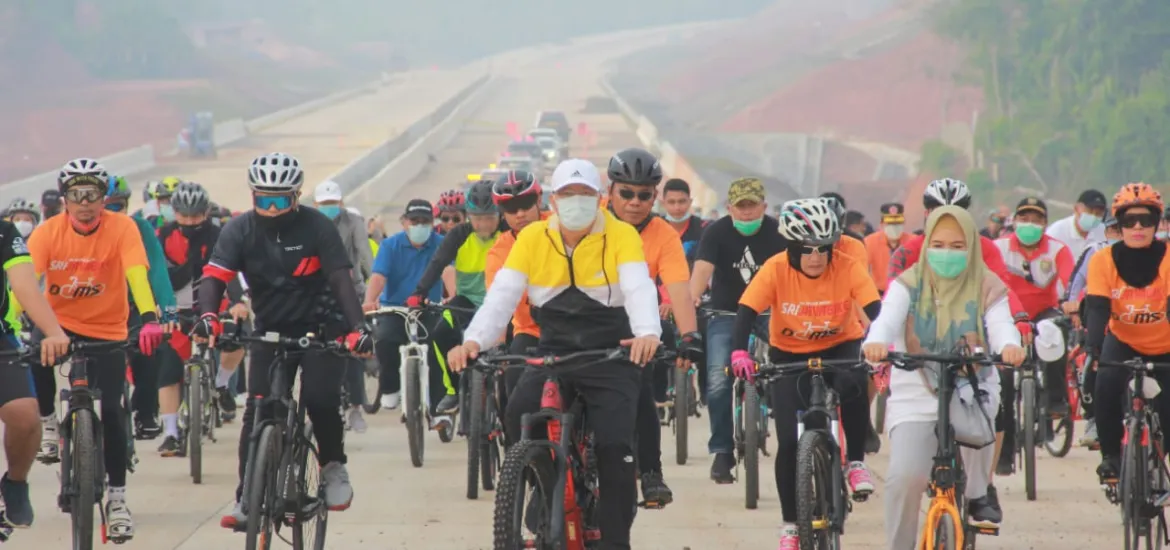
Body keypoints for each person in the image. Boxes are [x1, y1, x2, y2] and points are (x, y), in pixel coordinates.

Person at [447, 158, 661, 550]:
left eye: (584, 194)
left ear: (600, 198)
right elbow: (501, 297)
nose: (576, 201)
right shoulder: (532, 238)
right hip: (554, 350)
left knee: (614, 449)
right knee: (517, 414)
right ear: (554, 200)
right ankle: (544, 485)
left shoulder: (622, 234)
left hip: (608, 353)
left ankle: (616, 540)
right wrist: (473, 341)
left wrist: (647, 332)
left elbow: (638, 287)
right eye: (567, 194)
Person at [194, 152, 372, 528]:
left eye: (280, 200)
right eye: (264, 200)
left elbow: (341, 280)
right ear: (253, 196)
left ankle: (333, 467)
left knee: (320, 399)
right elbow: (214, 277)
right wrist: (208, 316)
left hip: (323, 326)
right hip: (271, 329)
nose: (271, 209)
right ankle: (247, 497)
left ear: (295, 197)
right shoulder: (239, 229)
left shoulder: (317, 227)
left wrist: (358, 328)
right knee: (258, 410)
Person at [864, 206, 1026, 548]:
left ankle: (979, 493)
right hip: (916, 389)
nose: (946, 253)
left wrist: (1010, 346)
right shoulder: (907, 284)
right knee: (904, 479)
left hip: (971, 384)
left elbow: (1001, 324)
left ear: (971, 246)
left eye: (957, 246)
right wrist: (876, 343)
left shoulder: (987, 284)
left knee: (980, 425)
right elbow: (886, 319)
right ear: (926, 245)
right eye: (938, 245)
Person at [28, 158, 167, 540]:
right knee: (34, 351)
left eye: (93, 195)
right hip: (57, 326)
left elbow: (137, 274)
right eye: (77, 195)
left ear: (104, 198)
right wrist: (13, 321)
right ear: (64, 199)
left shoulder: (123, 228)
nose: (85, 203)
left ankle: (117, 500)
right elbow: (24, 281)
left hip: (108, 329)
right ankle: (48, 422)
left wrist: (149, 317)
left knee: (114, 413)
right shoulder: (47, 232)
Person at [731, 198, 881, 549]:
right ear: (791, 248)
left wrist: (882, 344)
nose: (815, 257)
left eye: (823, 249)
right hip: (789, 352)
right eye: (806, 250)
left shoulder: (847, 266)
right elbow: (746, 310)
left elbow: (875, 308)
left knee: (855, 382)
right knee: (788, 443)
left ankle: (855, 462)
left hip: (840, 346)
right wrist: (738, 351)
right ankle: (790, 526)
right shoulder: (774, 268)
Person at [606, 148, 703, 507]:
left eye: (644, 195)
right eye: (626, 193)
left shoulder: (663, 234)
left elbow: (679, 289)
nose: (634, 202)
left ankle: (651, 472)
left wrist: (689, 336)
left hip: (638, 323)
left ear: (654, 196)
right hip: (586, 318)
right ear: (610, 191)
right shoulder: (590, 221)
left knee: (641, 388)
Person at [689, 178, 788, 483]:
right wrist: (691, 300)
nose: (746, 212)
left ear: (764, 207)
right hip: (727, 312)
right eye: (740, 206)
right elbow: (702, 270)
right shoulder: (716, 232)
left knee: (788, 367)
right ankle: (722, 451)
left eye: (752, 206)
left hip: (770, 311)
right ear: (729, 207)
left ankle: (794, 436)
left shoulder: (779, 233)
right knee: (718, 380)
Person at [1084, 183, 1170, 489]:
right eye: (1129, 221)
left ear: (1157, 224)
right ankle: (1111, 457)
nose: (1137, 228)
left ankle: (1158, 458)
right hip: (1123, 341)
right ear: (1118, 225)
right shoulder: (1102, 260)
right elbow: (1097, 309)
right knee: (1105, 384)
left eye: (1145, 220)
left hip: (1165, 344)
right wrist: (1093, 350)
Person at [154, 182, 246, 454]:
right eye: (184, 216)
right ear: (174, 212)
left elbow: (231, 271)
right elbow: (156, 274)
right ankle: (171, 432)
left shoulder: (219, 235)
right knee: (168, 367)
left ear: (206, 213)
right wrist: (156, 306)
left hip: (214, 304)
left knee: (238, 336)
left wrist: (238, 302)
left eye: (195, 216)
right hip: (175, 306)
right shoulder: (162, 236)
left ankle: (221, 384)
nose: (190, 221)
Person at [991, 196, 1074, 476]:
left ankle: (1055, 399)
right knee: (1003, 381)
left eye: (1036, 220)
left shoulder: (1057, 249)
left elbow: (1070, 281)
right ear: (1014, 221)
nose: (1029, 224)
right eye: (1024, 218)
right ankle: (1004, 452)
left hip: (1043, 312)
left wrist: (1073, 302)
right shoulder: (999, 248)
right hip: (1007, 314)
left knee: (1055, 334)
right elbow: (991, 282)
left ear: (1045, 224)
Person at [0, 209, 70, 530]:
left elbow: (25, 287)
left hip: (1, 338)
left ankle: (15, 483)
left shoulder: (5, 233)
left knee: (26, 417)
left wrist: (53, 332)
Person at [408, 181, 504, 414]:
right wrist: (419, 293)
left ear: (500, 214)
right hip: (468, 301)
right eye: (477, 218)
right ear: (469, 216)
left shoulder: (509, 233)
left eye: (489, 218)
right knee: (440, 333)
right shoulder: (459, 234)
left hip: (503, 304)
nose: (483, 224)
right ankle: (452, 389)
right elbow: (438, 263)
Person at [104, 175, 179, 440]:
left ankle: (145, 413)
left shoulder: (140, 228)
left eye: (119, 206)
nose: (114, 212)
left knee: (150, 351)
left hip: (132, 307)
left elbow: (157, 269)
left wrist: (168, 311)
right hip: (92, 311)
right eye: (108, 206)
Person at [363, 199, 452, 422]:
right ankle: (391, 387)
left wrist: (453, 295)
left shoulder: (442, 244)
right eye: (414, 221)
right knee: (384, 340)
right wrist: (369, 300)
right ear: (404, 222)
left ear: (432, 223)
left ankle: (438, 409)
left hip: (428, 308)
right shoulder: (390, 245)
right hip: (394, 308)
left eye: (425, 221)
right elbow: (379, 276)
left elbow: (448, 272)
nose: (419, 226)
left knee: (437, 350)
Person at [483, 171, 548, 421]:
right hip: (530, 332)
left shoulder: (563, 228)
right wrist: (498, 344)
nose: (520, 214)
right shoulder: (498, 253)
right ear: (502, 212)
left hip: (575, 328)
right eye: (511, 208)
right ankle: (517, 444)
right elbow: (498, 306)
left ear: (539, 199)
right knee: (513, 389)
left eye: (525, 204)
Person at [313, 180, 374, 433]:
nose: (329, 207)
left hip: (351, 291)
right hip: (317, 292)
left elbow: (364, 253)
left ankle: (355, 407)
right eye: (324, 203)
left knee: (354, 345)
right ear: (316, 204)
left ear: (341, 202)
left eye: (333, 203)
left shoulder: (353, 222)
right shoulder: (308, 223)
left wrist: (375, 288)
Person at [1063, 213, 1121, 448]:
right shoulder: (1096, 252)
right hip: (1099, 314)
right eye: (1115, 230)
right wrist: (1071, 305)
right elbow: (1076, 281)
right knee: (1093, 362)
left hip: (1138, 321)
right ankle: (1094, 419)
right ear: (1106, 232)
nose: (1120, 234)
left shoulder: (1155, 253)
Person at [1045, 189, 1108, 260]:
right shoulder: (1057, 232)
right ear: (1076, 209)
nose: (1093, 217)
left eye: (1098, 213)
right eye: (1089, 211)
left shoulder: (1103, 233)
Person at [863, 202, 910, 296]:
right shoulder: (870, 242)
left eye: (898, 223)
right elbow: (862, 270)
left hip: (907, 293)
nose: (894, 227)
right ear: (881, 224)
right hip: (880, 294)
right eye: (890, 223)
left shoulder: (912, 241)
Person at [658, 178, 706, 263]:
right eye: (671, 202)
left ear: (690, 202)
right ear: (663, 203)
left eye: (682, 201)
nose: (677, 208)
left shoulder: (704, 229)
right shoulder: (654, 228)